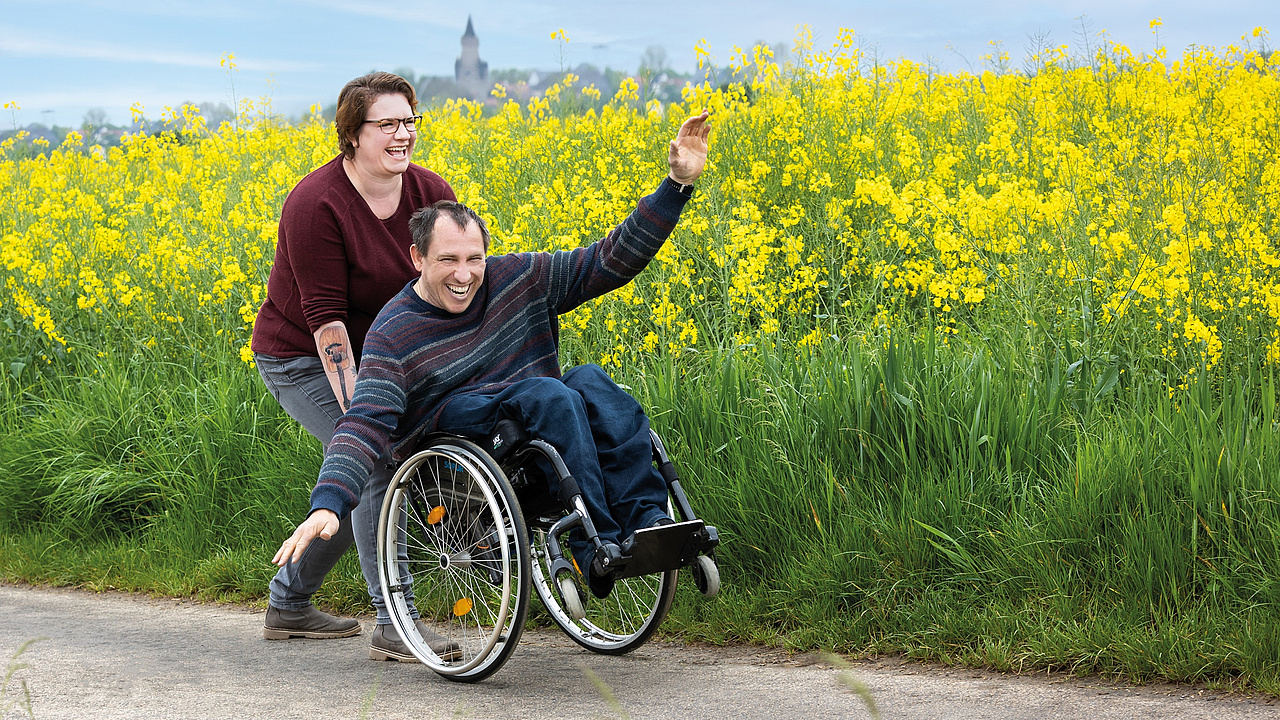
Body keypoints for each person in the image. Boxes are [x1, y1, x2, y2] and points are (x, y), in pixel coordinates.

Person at [274, 110, 712, 608]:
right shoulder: (394, 334)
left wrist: (676, 185)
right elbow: (365, 421)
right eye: (448, 261)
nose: (464, 275)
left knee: (589, 382)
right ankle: (595, 546)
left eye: (474, 259)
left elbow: (608, 261)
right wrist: (328, 503)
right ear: (417, 260)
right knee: (549, 392)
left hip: (531, 410)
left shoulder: (516, 279)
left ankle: (649, 522)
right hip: (460, 431)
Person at [251, 71, 460, 662]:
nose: (403, 134)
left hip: (385, 352)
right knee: (370, 463)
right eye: (387, 124)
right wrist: (361, 419)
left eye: (409, 121)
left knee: (372, 464)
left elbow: (453, 278)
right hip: (302, 355)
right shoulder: (316, 204)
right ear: (352, 135)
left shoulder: (428, 192)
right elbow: (327, 324)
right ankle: (395, 622)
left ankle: (288, 604)